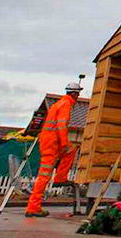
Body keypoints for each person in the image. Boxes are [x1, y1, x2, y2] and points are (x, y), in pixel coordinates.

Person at [25, 81, 82, 217]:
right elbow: (61, 126)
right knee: (44, 175)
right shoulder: (66, 105)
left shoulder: (57, 104)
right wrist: (64, 144)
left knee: (45, 173)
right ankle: (34, 206)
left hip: (49, 141)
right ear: (74, 94)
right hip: (53, 143)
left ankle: (59, 179)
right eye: (78, 94)